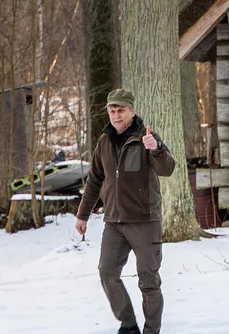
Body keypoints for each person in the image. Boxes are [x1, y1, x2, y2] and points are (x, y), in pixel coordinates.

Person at [76, 88, 176, 334]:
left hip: (144, 221)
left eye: (121, 110)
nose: (116, 115)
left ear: (132, 111)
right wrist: (83, 214)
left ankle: (152, 330)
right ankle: (129, 325)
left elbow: (168, 169)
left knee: (149, 281)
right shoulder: (105, 141)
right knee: (107, 272)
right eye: (112, 110)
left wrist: (157, 148)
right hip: (114, 223)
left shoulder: (146, 137)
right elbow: (95, 180)